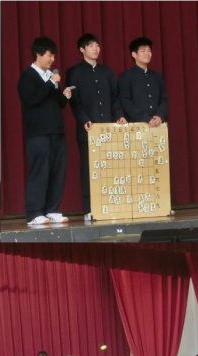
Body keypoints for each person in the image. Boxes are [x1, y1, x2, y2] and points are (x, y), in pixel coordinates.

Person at [66, 34, 126, 221]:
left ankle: (111, 205)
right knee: (88, 168)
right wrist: (84, 119)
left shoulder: (107, 71)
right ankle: (89, 209)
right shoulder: (74, 72)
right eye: (91, 46)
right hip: (88, 129)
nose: (95, 49)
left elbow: (115, 98)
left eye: (97, 46)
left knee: (110, 167)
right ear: (82, 49)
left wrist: (119, 116)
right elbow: (75, 102)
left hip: (108, 128)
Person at [17, 37, 72, 227]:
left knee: (57, 172)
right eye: (49, 55)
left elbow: (56, 103)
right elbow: (32, 99)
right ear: (38, 54)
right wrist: (50, 83)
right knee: (39, 172)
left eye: (54, 56)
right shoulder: (28, 76)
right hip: (38, 133)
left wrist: (64, 96)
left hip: (56, 132)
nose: (52, 59)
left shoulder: (50, 76)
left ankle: (52, 209)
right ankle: (34, 213)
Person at [118, 37, 168, 125]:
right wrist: (146, 118)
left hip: (158, 124)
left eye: (149, 51)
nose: (147, 54)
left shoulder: (157, 76)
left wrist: (160, 116)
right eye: (143, 51)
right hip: (136, 125)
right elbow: (126, 102)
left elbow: (164, 99)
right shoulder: (126, 76)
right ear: (134, 54)